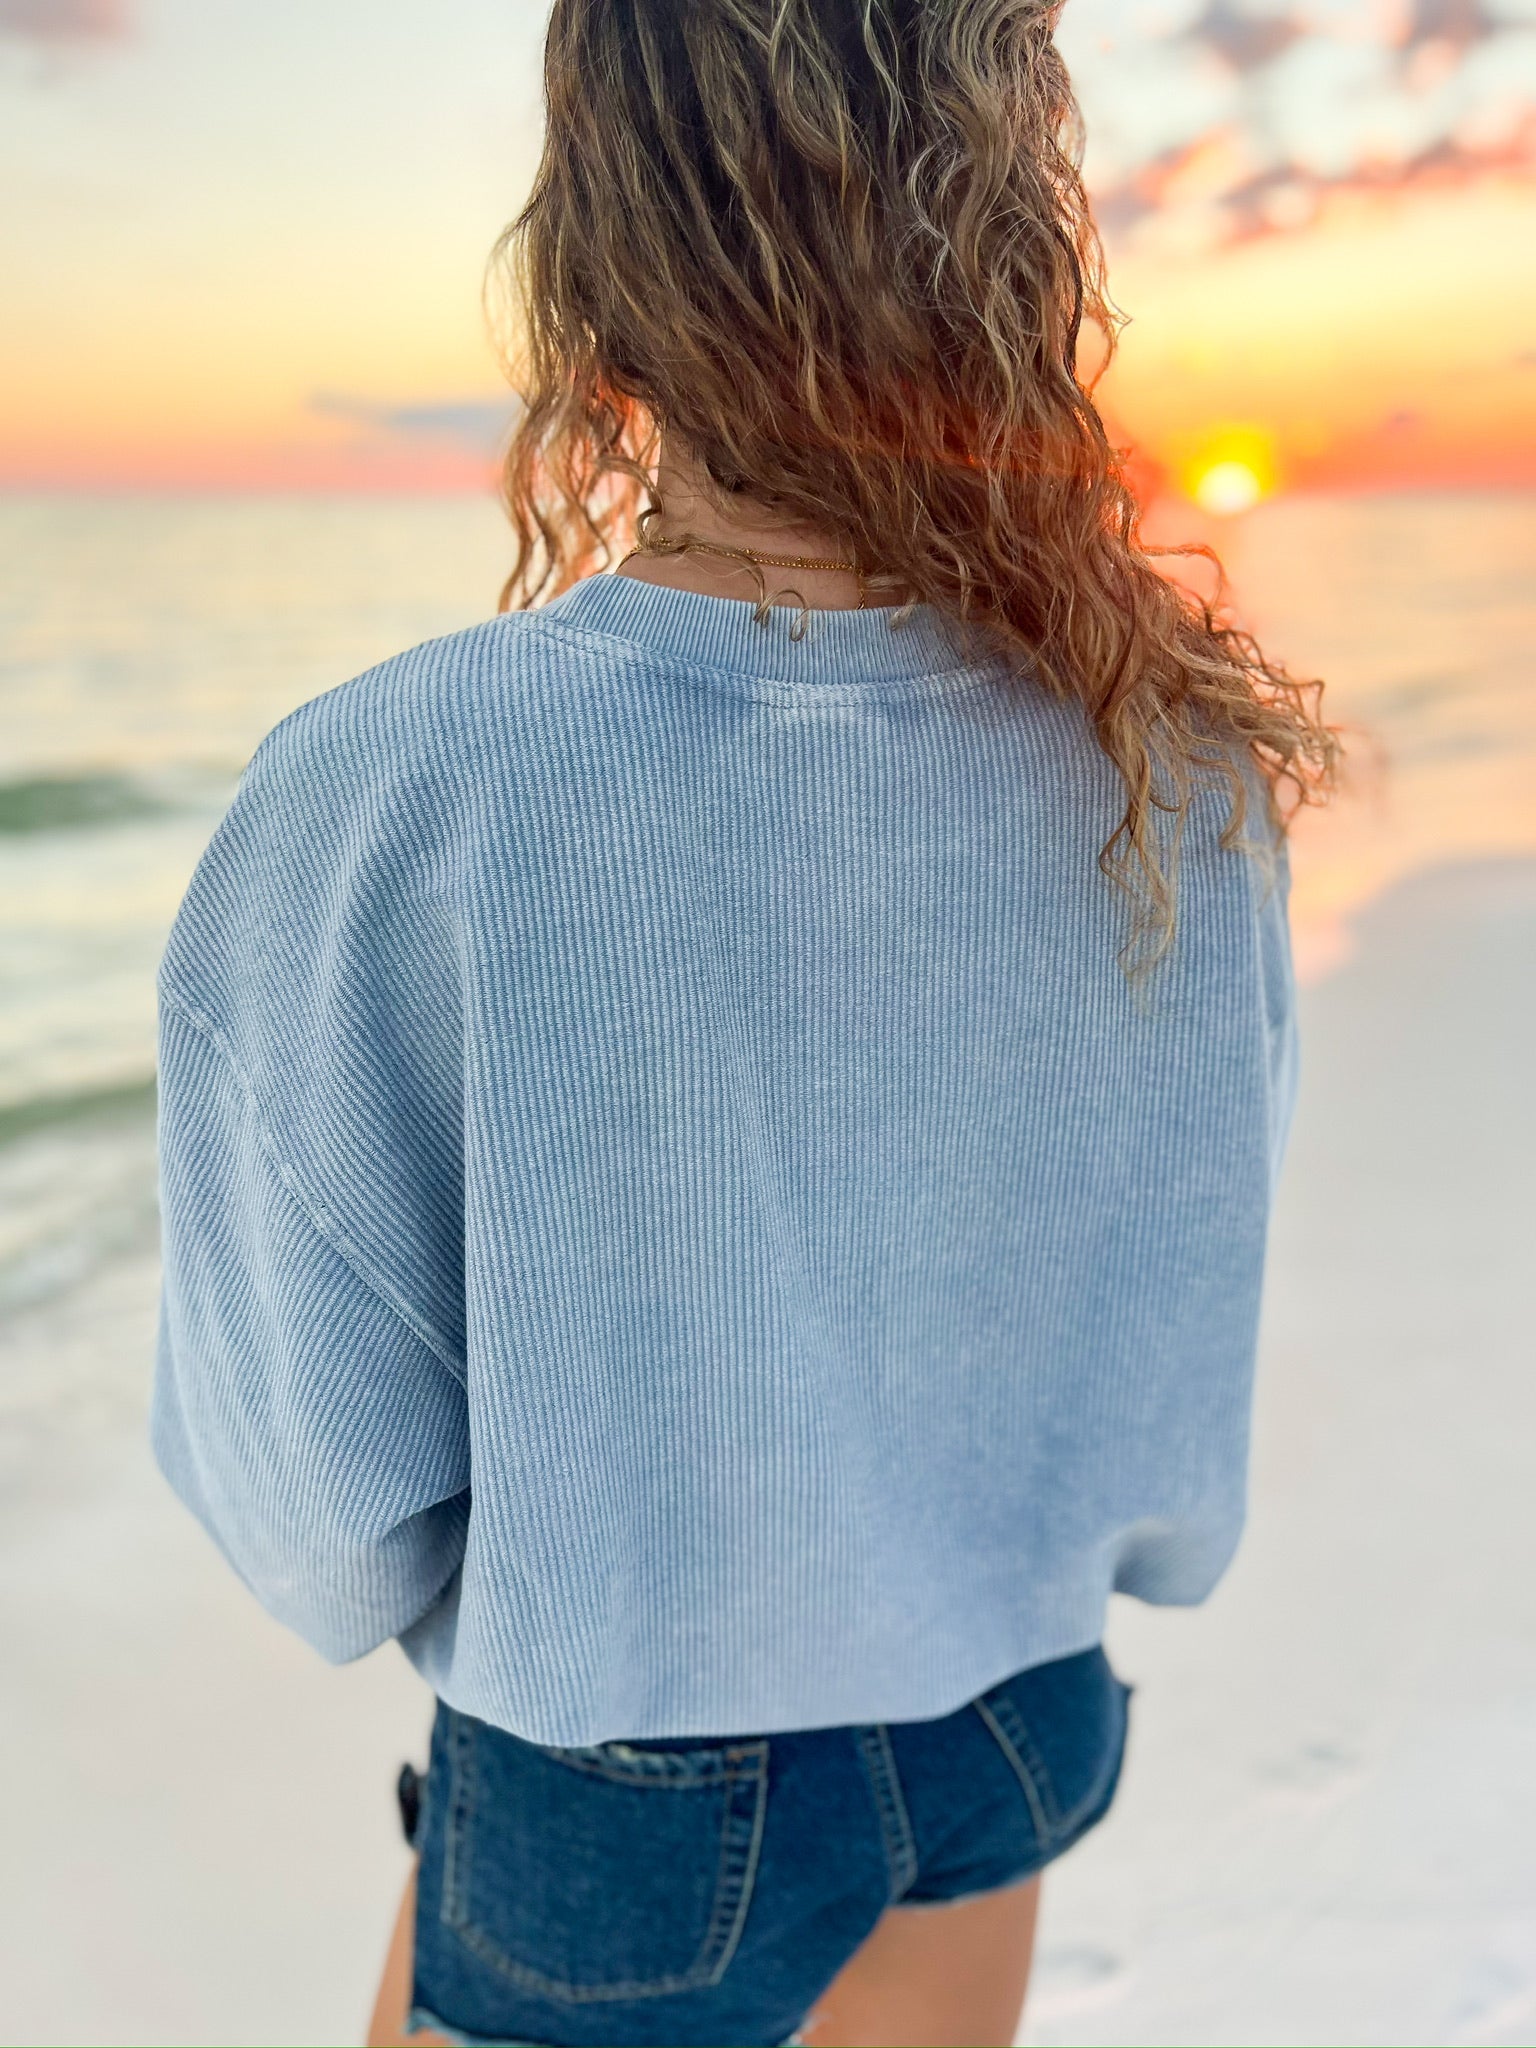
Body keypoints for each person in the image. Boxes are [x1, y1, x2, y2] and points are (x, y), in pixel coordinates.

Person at [149, 2, 1338, 2043]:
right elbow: (1175, 1299)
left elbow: (322, 1501)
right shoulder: (1173, 758)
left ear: (598, 264)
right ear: (1005, 239)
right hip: (1017, 1700)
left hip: (631, 1761)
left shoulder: (400, 780)